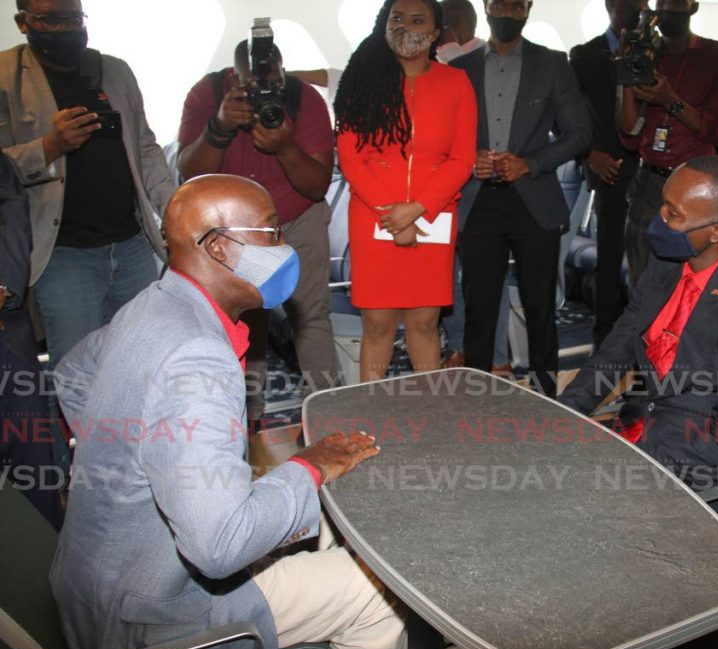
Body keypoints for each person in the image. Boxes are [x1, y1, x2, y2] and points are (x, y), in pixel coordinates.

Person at [51, 175, 407, 649]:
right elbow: (218, 545)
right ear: (219, 247)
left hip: (92, 588)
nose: (284, 249)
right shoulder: (198, 354)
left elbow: (71, 375)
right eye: (270, 233)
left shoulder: (153, 303)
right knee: (377, 592)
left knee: (318, 506)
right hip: (154, 621)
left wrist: (133, 465)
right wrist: (308, 466)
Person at [560, 156, 718, 508]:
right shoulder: (664, 265)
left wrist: (636, 457)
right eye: (663, 207)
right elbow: (617, 349)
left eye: (674, 215)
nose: (659, 222)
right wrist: (563, 414)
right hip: (640, 434)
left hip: (701, 468)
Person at [0, 0, 175, 366]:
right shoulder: (4, 75)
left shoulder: (115, 71)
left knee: (141, 362)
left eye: (73, 18)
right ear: (22, 22)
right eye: (50, 20)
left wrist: (176, 214)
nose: (64, 29)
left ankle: (136, 427)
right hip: (63, 255)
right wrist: (49, 147)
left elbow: (144, 148)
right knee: (79, 373)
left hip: (131, 246)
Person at [178, 38, 339, 422]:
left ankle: (329, 418)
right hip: (238, 229)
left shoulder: (305, 99)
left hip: (298, 219)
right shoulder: (206, 94)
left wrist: (284, 147)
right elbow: (190, 174)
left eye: (272, 82)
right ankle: (242, 421)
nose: (264, 92)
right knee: (245, 322)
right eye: (252, 85)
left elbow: (316, 186)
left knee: (311, 317)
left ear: (284, 70)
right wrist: (219, 128)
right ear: (235, 77)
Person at [449, 0, 592, 397]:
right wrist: (467, 160)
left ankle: (548, 397)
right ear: (486, 6)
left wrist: (529, 163)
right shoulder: (460, 70)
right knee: (479, 308)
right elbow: (443, 140)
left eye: (516, 6)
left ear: (527, 9)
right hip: (478, 203)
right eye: (499, 5)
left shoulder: (552, 64)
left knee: (540, 307)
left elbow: (579, 132)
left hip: (533, 201)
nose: (506, 13)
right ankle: (476, 398)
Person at [336, 0, 477, 381]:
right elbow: (351, 159)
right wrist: (394, 215)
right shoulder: (361, 81)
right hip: (372, 214)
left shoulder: (457, 83)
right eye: (397, 17)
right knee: (378, 325)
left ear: (435, 33)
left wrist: (416, 210)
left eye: (418, 20)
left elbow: (462, 160)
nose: (406, 27)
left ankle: (429, 422)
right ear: (384, 23)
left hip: (433, 216)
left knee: (425, 323)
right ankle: (370, 419)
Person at [617, 0, 718, 286]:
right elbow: (629, 132)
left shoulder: (717, 56)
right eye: (662, 2)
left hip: (695, 187)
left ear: (693, 7)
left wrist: (670, 100)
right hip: (648, 183)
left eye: (676, 2)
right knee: (641, 283)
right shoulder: (647, 54)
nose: (667, 8)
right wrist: (627, 72)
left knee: (689, 283)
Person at [570, 0, 647, 348]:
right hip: (610, 168)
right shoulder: (585, 55)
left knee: (651, 259)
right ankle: (605, 342)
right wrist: (589, 156)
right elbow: (572, 117)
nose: (636, 9)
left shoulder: (654, 49)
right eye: (629, 3)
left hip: (654, 170)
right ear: (610, 5)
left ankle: (647, 340)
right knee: (610, 255)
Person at [0, 151, 63, 528]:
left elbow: (8, 206)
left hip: (7, 334)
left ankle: (46, 575)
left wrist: (4, 288)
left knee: (35, 473)